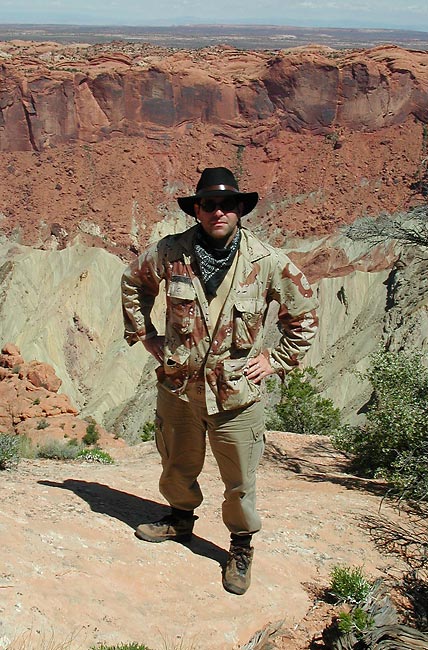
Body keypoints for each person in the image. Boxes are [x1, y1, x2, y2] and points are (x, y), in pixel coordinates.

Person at [121, 167, 319, 595]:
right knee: (176, 461)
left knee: (240, 480)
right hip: (179, 386)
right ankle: (179, 520)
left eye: (228, 204)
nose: (218, 211)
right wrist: (145, 335)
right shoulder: (171, 252)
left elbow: (303, 312)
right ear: (197, 209)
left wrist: (277, 360)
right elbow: (133, 281)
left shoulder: (266, 262)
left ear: (240, 209)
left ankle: (241, 547)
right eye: (209, 204)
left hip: (237, 394)